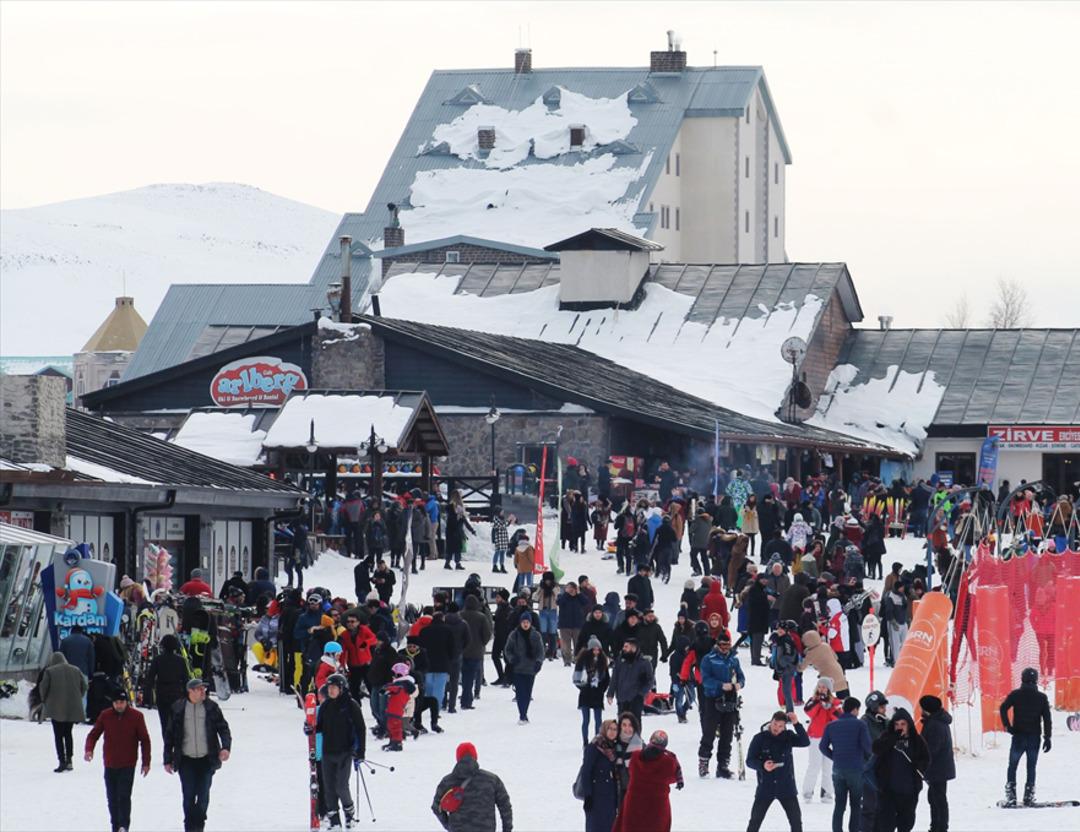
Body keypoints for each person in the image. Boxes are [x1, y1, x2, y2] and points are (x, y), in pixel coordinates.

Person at [163, 679, 232, 832]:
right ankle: (189, 827)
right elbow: (169, 735)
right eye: (200, 689)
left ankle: (199, 827)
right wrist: (167, 758)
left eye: (204, 689)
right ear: (191, 691)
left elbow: (223, 728)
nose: (203, 692)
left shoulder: (211, 707)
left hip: (206, 759)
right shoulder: (178, 708)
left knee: (203, 797)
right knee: (188, 797)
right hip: (186, 760)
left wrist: (226, 747)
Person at [84, 690, 151, 832]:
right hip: (110, 763)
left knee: (124, 796)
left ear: (126, 702)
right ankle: (115, 826)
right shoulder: (105, 715)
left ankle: (124, 826)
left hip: (128, 763)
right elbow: (93, 734)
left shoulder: (136, 716)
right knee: (112, 798)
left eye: (121, 702)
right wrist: (89, 749)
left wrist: (146, 762)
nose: (119, 705)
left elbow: (145, 740)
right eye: (116, 703)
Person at [314, 673, 366, 827]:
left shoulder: (351, 705)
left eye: (334, 688)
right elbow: (319, 727)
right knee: (329, 788)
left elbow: (360, 729)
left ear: (342, 689)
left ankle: (349, 815)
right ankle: (334, 819)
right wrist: (310, 728)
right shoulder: (325, 706)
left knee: (341, 786)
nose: (330, 691)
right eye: (329, 688)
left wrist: (360, 752)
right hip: (327, 752)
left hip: (345, 752)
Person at [745, 711, 810, 832]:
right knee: (755, 821)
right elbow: (749, 761)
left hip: (786, 787)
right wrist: (763, 765)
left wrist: (796, 723)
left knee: (796, 822)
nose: (777, 728)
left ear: (784, 726)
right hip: (765, 786)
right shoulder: (759, 738)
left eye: (780, 726)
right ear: (771, 721)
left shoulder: (788, 736)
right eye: (775, 724)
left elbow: (805, 742)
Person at [999, 666, 1052, 807]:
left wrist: (1007, 725)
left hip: (1018, 735)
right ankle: (1029, 796)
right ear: (1036, 680)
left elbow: (1003, 708)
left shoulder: (1016, 695)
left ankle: (1011, 796)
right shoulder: (1041, 697)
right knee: (1031, 767)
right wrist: (1048, 737)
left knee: (1012, 766)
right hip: (1034, 737)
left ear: (1022, 679)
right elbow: (1047, 718)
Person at [432, 742, 513, 832]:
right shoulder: (491, 780)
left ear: (458, 758)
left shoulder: (447, 782)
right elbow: (505, 806)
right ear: (475, 757)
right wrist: (507, 829)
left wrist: (449, 825)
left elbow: (436, 807)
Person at [612, 730, 683, 832]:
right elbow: (673, 777)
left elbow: (630, 771)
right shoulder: (668, 761)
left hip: (633, 805)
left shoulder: (636, 756)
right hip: (657, 807)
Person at [697, 631, 745, 779]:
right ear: (717, 645)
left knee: (727, 734)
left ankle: (723, 765)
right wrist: (720, 685)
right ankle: (704, 762)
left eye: (728, 645)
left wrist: (739, 684)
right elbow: (705, 680)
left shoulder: (733, 660)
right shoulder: (708, 659)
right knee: (709, 732)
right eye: (722, 645)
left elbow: (741, 677)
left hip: (730, 700)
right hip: (713, 699)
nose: (725, 648)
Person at [872, 708, 928, 832]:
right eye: (897, 724)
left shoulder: (916, 740)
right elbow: (876, 748)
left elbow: (926, 758)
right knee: (886, 824)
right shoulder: (887, 736)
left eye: (903, 724)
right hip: (888, 790)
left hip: (909, 791)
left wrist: (919, 767)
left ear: (909, 724)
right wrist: (893, 738)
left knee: (906, 824)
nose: (900, 727)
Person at [820, 696, 871, 832]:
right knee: (855, 804)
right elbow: (867, 747)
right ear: (855, 710)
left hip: (838, 769)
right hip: (856, 769)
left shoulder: (831, 726)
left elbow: (822, 746)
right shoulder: (860, 725)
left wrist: (835, 757)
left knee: (839, 805)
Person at [39, 650, 88, 772]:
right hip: (71, 707)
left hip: (56, 708)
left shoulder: (49, 671)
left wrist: (45, 700)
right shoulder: (75, 670)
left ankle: (61, 761)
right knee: (68, 734)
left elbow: (43, 688)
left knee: (58, 735)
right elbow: (85, 686)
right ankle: (70, 760)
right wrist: (78, 697)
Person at [143, 633, 190, 739]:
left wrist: (147, 696)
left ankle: (167, 746)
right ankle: (177, 745)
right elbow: (186, 680)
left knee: (164, 723)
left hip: (162, 694)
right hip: (177, 694)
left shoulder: (157, 660)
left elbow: (150, 679)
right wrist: (188, 696)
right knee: (178, 723)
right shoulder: (181, 660)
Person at [802, 677, 842, 802]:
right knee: (814, 765)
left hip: (831, 738)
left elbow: (839, 717)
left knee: (829, 767)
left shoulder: (836, 702)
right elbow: (808, 712)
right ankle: (807, 792)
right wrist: (819, 702)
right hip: (816, 736)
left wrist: (830, 706)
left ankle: (827, 792)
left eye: (824, 687)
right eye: (819, 686)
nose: (821, 689)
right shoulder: (813, 700)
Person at [919, 695, 955, 832]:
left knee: (938, 799)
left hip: (937, 769)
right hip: (939, 768)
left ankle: (940, 827)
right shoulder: (936, 721)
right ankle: (936, 826)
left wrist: (920, 759)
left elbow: (931, 749)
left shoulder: (934, 725)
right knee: (934, 798)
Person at [578, 719, 620, 832]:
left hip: (610, 799)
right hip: (596, 797)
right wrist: (588, 796)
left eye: (615, 729)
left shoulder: (614, 748)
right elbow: (586, 771)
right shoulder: (595, 746)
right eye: (609, 729)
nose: (612, 732)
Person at [502, 615, 545, 724]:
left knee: (527, 692)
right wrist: (512, 659)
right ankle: (522, 714)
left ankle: (524, 712)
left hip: (531, 669)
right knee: (520, 693)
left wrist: (539, 662)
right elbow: (507, 650)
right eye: (523, 622)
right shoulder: (514, 635)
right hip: (517, 669)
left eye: (527, 622)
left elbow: (541, 651)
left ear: (530, 623)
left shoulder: (536, 635)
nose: (525, 624)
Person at [607, 638, 654, 725]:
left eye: (626, 647)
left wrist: (641, 693)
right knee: (622, 724)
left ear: (633, 648)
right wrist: (610, 694)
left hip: (635, 699)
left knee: (635, 724)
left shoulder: (644, 663)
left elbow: (650, 681)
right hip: (622, 698)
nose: (623, 648)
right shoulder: (620, 661)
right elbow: (614, 678)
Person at [574, 637, 611, 747]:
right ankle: (585, 741)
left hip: (597, 694)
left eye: (598, 649)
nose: (596, 652)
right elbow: (576, 678)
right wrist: (584, 687)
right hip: (585, 694)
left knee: (598, 720)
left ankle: (597, 740)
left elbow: (606, 679)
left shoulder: (603, 662)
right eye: (594, 649)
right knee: (586, 720)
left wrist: (601, 690)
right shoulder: (582, 662)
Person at [460, 595, 492, 709]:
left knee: (464, 676)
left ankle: (464, 696)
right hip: (476, 651)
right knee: (474, 675)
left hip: (462, 651)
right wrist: (482, 643)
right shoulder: (481, 617)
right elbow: (487, 634)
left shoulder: (460, 615)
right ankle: (468, 699)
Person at [557, 581, 588, 667]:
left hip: (577, 624)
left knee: (578, 644)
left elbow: (586, 602)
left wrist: (579, 593)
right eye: (569, 588)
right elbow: (559, 602)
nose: (571, 590)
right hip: (564, 625)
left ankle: (578, 659)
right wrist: (566, 593)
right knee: (565, 645)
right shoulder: (562, 596)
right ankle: (567, 660)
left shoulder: (579, 597)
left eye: (572, 588)